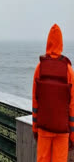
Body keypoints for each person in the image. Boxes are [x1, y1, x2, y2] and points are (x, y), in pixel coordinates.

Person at [32, 24, 74, 162]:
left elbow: (35, 100)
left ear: (48, 42)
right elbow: (72, 106)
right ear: (61, 43)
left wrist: (35, 127)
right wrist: (72, 135)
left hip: (44, 128)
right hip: (63, 130)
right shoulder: (68, 70)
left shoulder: (40, 67)